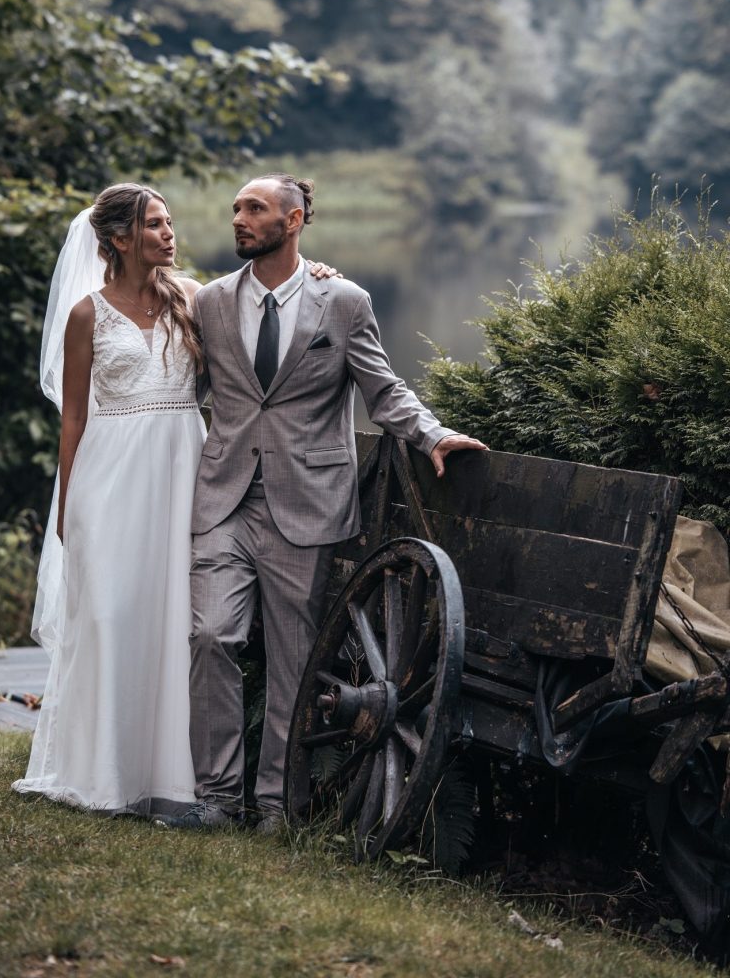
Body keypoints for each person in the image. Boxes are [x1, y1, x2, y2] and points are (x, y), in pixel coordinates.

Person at [160, 173, 487, 834]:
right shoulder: (213, 302)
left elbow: (382, 387)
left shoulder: (344, 300)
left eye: (255, 209)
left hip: (307, 503)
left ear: (295, 218)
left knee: (293, 661)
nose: (240, 220)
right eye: (236, 210)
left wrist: (431, 433)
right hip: (223, 498)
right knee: (210, 636)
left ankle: (279, 806)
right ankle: (218, 799)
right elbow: (174, 373)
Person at [12, 183, 338, 815]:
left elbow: (267, 297)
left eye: (169, 221)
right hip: (109, 480)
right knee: (109, 615)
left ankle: (172, 778)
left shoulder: (193, 298)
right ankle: (102, 772)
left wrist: (318, 272)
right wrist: (66, 505)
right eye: (155, 225)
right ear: (119, 239)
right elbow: (73, 419)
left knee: (173, 620)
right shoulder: (88, 314)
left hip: (184, 472)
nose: (169, 233)